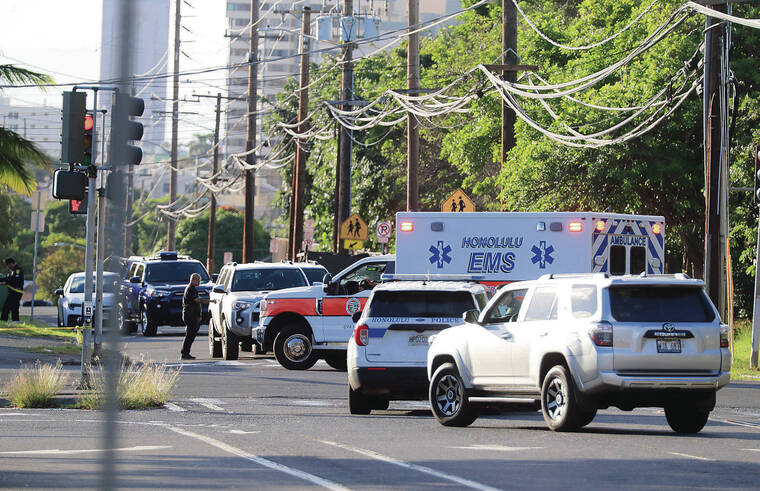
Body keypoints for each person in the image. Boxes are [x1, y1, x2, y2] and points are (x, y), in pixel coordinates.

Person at [181, 273, 215, 360]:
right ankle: (185, 353)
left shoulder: (193, 289)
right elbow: (197, 300)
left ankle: (186, 352)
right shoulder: (191, 289)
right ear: (192, 280)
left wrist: (199, 315)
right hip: (190, 315)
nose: (199, 281)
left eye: (199, 280)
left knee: (191, 335)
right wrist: (210, 301)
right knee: (189, 335)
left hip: (193, 315)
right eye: (197, 280)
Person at [1, 258, 24, 323]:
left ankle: (3, 320)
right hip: (13, 291)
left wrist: (6, 283)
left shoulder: (17, 270)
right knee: (14, 307)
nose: (8, 267)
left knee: (7, 306)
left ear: (11, 263)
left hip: (16, 291)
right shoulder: (12, 271)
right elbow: (7, 278)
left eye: (8, 265)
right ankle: (15, 321)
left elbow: (16, 280)